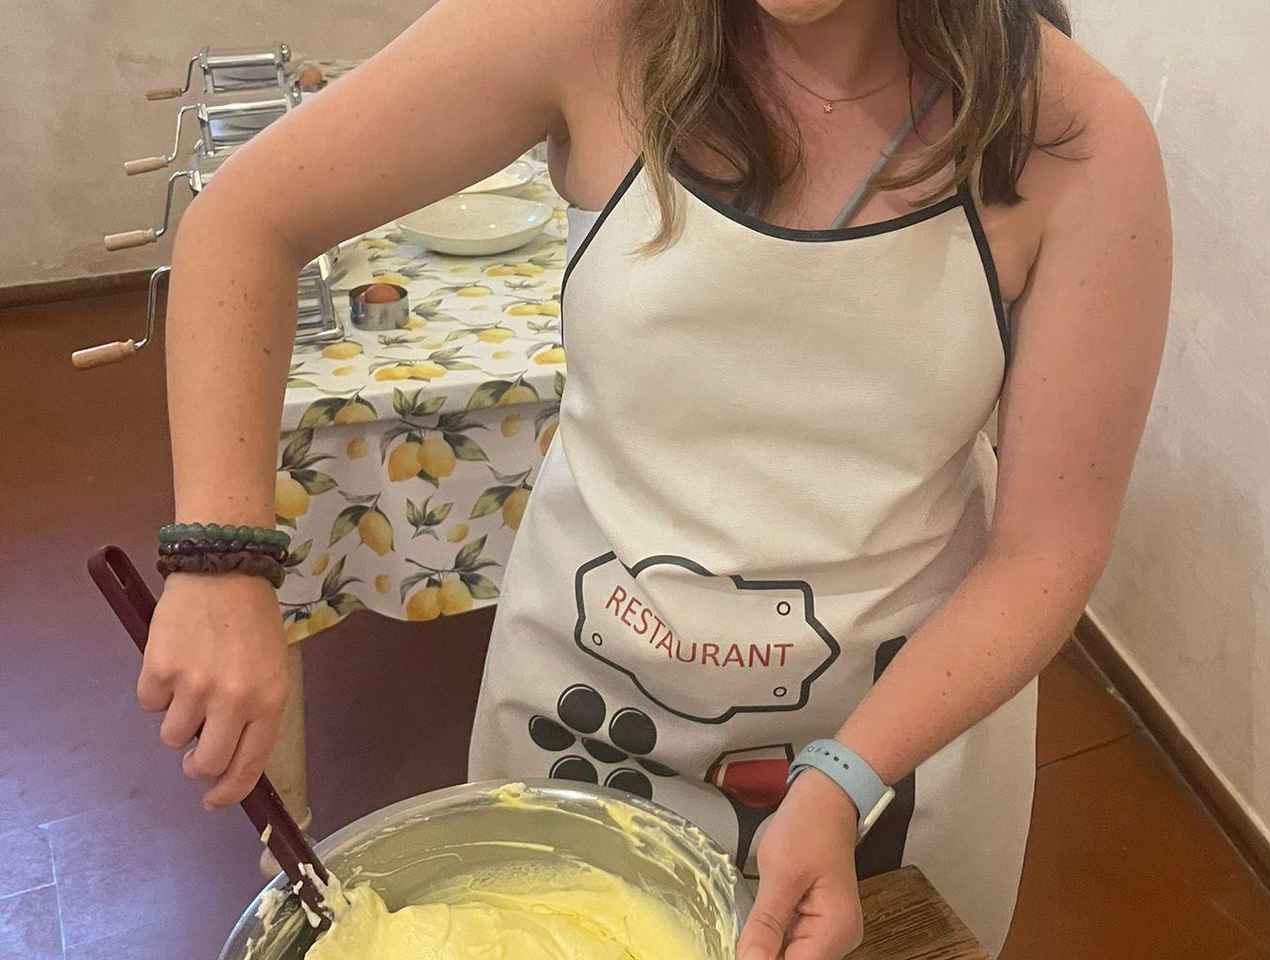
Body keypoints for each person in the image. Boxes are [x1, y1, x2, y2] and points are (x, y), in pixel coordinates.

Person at [138, 0, 1170, 956]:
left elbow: (1046, 553)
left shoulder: (1073, 138)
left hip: (890, 752)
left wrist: (846, 776)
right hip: (581, 716)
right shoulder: (591, 26)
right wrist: (222, 562)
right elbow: (247, 220)